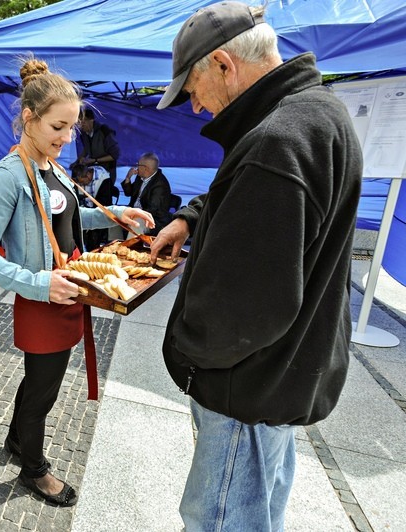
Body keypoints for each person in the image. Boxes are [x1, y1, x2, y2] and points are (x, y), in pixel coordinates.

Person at [152, 3, 362, 529]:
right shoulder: (314, 113)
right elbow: (255, 194)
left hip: (246, 389)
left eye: (194, 89)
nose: (197, 108)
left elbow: (244, 310)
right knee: (259, 508)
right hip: (284, 376)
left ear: (224, 63)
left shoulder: (277, 141)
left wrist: (187, 352)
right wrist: (192, 218)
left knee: (218, 519)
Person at [0, 58, 154, 507]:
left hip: (67, 289)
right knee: (43, 390)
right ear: (28, 119)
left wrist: (113, 217)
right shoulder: (8, 176)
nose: (68, 137)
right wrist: (37, 284)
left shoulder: (51, 164)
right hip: (43, 297)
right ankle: (34, 468)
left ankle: (17, 441)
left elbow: (62, 214)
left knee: (39, 382)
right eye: (59, 126)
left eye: (72, 127)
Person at [120, 152, 173, 235]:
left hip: (153, 219)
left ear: (145, 168)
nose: (136, 167)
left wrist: (133, 214)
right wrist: (128, 178)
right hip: (136, 212)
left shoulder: (160, 185)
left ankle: (130, 246)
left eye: (138, 165)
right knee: (114, 216)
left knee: (136, 223)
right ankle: (116, 244)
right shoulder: (140, 177)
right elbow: (128, 193)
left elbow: (152, 210)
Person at [73, 107, 120, 200]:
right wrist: (79, 159)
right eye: (79, 123)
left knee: (102, 200)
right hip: (92, 171)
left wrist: (95, 160)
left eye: (83, 122)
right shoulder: (83, 133)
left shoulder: (105, 131)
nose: (81, 126)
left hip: (106, 173)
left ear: (91, 120)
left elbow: (115, 155)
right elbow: (86, 149)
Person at [71, 163, 113, 250]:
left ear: (88, 176)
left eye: (82, 182)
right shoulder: (81, 175)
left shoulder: (104, 179)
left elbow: (105, 202)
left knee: (94, 235)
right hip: (84, 209)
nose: (81, 185)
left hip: (99, 211)